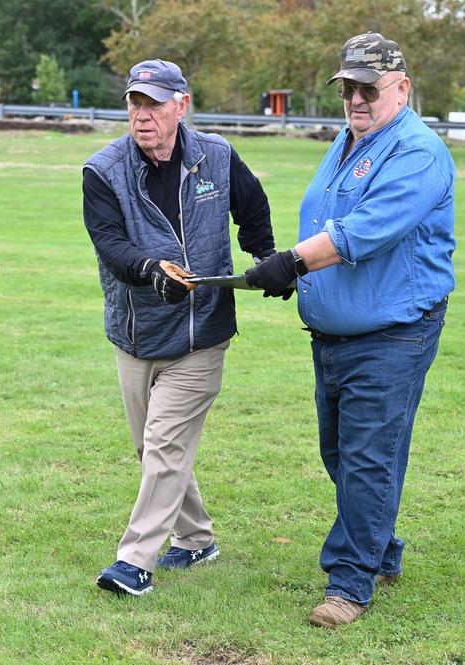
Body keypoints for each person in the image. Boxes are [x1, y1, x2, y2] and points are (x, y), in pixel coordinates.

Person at [245, 32, 456, 628]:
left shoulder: (416, 152)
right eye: (349, 89)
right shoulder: (350, 139)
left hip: (393, 332)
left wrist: (291, 263)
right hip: (336, 334)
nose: (357, 99)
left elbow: (361, 231)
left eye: (370, 88)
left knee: (366, 458)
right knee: (342, 452)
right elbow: (326, 216)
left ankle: (350, 581)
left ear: (402, 88)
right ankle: (381, 549)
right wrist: (299, 276)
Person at [83, 59, 279, 596]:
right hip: (136, 332)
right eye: (134, 104)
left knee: (165, 445)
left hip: (202, 334)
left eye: (153, 104)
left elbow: (253, 206)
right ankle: (196, 541)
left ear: (181, 106)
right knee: (153, 450)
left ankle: (134, 561)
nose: (142, 116)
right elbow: (111, 244)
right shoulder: (102, 171)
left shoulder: (216, 155)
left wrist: (263, 255)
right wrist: (151, 272)